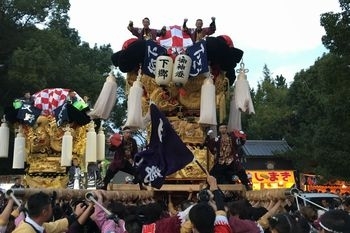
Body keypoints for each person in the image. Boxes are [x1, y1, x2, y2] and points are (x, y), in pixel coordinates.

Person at [205, 123, 251, 190]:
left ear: (226, 129)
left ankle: (247, 186)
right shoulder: (217, 139)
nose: (222, 129)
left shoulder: (233, 138)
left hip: (231, 160)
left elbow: (240, 142)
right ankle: (209, 187)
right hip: (221, 161)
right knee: (212, 174)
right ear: (219, 130)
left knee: (240, 171)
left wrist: (241, 137)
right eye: (221, 128)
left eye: (224, 128)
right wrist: (208, 136)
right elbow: (209, 144)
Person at [12, 191, 81, 233]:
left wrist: (75, 215)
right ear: (44, 212)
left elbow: (56, 226)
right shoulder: (25, 231)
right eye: (51, 207)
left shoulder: (37, 224)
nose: (52, 209)